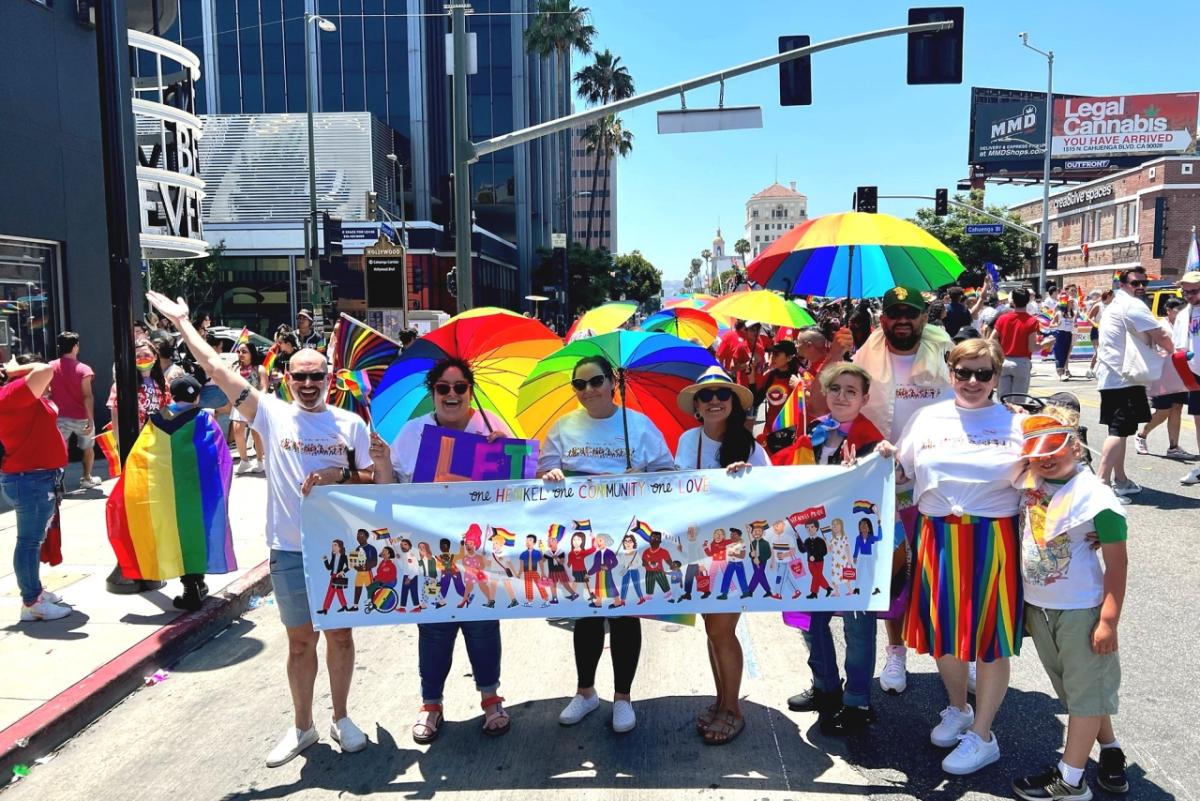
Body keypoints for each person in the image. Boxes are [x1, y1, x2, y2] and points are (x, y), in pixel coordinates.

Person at [146, 290, 372, 768]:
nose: (309, 383)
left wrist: (340, 475)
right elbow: (219, 371)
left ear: (330, 380)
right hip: (289, 550)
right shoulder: (270, 412)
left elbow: (372, 479)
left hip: (342, 552)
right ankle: (303, 726)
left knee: (342, 638)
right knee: (299, 641)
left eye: (317, 376)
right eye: (300, 377)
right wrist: (186, 324)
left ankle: (343, 717)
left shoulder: (351, 424)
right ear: (286, 379)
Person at [885, 338, 1025, 775]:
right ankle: (958, 708)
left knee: (989, 637)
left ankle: (984, 736)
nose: (972, 381)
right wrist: (880, 461)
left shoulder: (1017, 423)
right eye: (963, 372)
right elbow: (904, 472)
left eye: (983, 373)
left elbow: (1056, 478)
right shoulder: (928, 418)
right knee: (944, 634)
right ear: (951, 373)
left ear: (997, 377)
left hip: (993, 539)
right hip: (937, 537)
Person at [369, 356, 511, 743]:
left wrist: (505, 453)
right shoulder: (412, 433)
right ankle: (430, 704)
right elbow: (388, 490)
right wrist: (381, 462)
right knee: (434, 629)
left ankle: (491, 699)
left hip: (478, 550)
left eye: (460, 387)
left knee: (483, 625)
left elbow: (521, 486)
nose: (452, 395)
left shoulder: (491, 427)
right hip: (428, 553)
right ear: (432, 393)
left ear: (471, 391)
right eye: (443, 388)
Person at [539, 354, 675, 735]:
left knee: (624, 615)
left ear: (613, 382)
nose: (588, 391)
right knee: (586, 614)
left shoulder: (640, 426)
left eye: (595, 381)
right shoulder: (563, 428)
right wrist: (549, 473)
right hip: (579, 541)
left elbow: (669, 475)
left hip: (628, 540)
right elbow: (539, 480)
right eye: (579, 385)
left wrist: (641, 477)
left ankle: (623, 698)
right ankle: (585, 693)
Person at [1010, 404, 1130, 800]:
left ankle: (1070, 779)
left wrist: (1108, 620)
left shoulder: (1097, 498)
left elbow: (1117, 562)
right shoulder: (1030, 482)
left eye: (1054, 448)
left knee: (1084, 692)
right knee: (1078, 690)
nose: (1044, 457)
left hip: (1082, 610)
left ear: (1075, 447)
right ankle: (1109, 750)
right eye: (1036, 450)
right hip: (1041, 608)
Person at [853, 286, 952, 694]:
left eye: (910, 313)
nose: (902, 320)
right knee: (894, 572)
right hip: (884, 482)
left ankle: (956, 655)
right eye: (895, 314)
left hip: (936, 481)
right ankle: (896, 653)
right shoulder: (862, 359)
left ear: (923, 318)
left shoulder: (948, 357)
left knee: (942, 572)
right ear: (883, 320)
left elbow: (976, 399)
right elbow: (839, 404)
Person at [785, 362, 884, 735]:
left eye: (851, 391)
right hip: (813, 545)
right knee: (813, 621)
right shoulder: (810, 433)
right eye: (836, 389)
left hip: (853, 551)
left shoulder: (874, 439)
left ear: (864, 398)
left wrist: (877, 460)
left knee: (858, 628)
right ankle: (825, 686)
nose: (842, 396)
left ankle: (857, 699)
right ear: (825, 393)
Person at [674, 366, 768, 744]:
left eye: (722, 394)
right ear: (696, 405)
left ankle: (733, 710)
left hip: (735, 551)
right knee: (712, 631)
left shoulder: (751, 447)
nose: (715, 400)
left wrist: (748, 480)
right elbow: (676, 489)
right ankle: (721, 700)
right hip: (698, 551)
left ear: (733, 402)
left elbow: (772, 497)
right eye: (707, 395)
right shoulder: (686, 441)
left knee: (720, 629)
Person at [1, 356, 71, 622]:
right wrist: (14, 369)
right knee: (29, 542)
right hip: (30, 479)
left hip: (35, 477)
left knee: (33, 540)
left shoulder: (17, 394)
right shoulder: (11, 393)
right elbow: (45, 370)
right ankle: (32, 602)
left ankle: (35, 593)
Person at [1094, 268, 1174, 497]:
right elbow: (1162, 335)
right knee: (1119, 431)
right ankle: (1102, 484)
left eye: (1143, 283)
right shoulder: (1133, 305)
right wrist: (1174, 354)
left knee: (1121, 430)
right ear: (1123, 285)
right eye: (1135, 283)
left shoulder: (1113, 306)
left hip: (1113, 377)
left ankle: (1120, 479)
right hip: (1124, 378)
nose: (1140, 287)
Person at [1135, 297, 1193, 460]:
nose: (1181, 313)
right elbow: (1147, 345)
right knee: (1163, 410)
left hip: (1180, 373)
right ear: (1168, 310)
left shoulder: (1185, 324)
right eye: (1177, 310)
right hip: (1162, 374)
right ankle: (1142, 434)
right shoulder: (1159, 325)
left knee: (1177, 408)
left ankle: (1174, 446)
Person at [49, 332, 101, 489]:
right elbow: (87, 396)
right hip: (81, 417)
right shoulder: (83, 369)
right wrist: (91, 419)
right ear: (75, 346)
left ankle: (57, 481)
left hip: (59, 416)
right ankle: (86, 478)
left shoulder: (50, 366)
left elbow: (48, 391)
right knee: (88, 448)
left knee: (59, 450)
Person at [108, 338, 168, 439]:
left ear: (155, 357)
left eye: (146, 355)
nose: (143, 359)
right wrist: (120, 444)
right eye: (138, 356)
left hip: (158, 438)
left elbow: (168, 410)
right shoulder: (122, 385)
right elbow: (116, 416)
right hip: (134, 440)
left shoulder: (163, 383)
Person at [1172, 271, 1200, 486]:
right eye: (1186, 292)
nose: (1189, 295)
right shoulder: (1184, 315)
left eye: (1194, 291)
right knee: (1199, 421)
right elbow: (1178, 346)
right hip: (1195, 374)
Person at [989, 287, 1042, 399]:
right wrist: (1045, 344)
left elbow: (991, 340)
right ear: (1028, 301)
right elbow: (1032, 347)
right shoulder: (1032, 321)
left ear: (1012, 301)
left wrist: (997, 355)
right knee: (1019, 401)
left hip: (1004, 360)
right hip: (1022, 362)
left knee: (1002, 400)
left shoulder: (1003, 318)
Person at [231, 341, 267, 474]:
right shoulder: (235, 369)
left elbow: (264, 387)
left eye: (244, 352)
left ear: (252, 354)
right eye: (239, 352)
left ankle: (260, 461)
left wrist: (257, 400)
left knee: (256, 433)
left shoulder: (259, 369)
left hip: (254, 404)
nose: (241, 354)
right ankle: (244, 461)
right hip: (239, 403)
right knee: (237, 431)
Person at [755, 340, 801, 432]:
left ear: (789, 358)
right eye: (771, 354)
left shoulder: (798, 378)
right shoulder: (769, 376)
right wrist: (752, 378)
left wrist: (799, 387)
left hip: (791, 432)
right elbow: (755, 402)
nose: (772, 357)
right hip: (770, 432)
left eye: (776, 354)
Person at [1085, 290, 1112, 380]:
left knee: (1104, 351)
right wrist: (1095, 324)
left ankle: (1098, 370)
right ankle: (1091, 369)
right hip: (1096, 331)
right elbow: (1088, 317)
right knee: (1098, 351)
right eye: (1112, 296)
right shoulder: (1098, 305)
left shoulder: (1113, 306)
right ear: (1107, 296)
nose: (1113, 298)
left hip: (1107, 331)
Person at [1050, 294, 1077, 381]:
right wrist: (1056, 324)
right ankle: (1060, 374)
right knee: (1059, 354)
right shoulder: (1059, 313)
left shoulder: (1073, 313)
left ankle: (1063, 372)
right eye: (1070, 302)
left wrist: (1075, 325)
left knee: (1066, 354)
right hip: (1060, 334)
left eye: (1072, 302)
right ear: (1066, 303)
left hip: (1069, 334)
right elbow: (1051, 324)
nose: (1072, 303)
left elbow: (1074, 323)